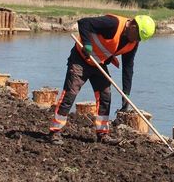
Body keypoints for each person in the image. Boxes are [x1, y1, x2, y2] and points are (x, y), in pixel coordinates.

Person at [48, 14, 156, 144]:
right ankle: (55, 131)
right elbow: (84, 23)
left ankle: (102, 134)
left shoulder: (132, 44)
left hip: (99, 63)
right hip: (81, 59)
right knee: (70, 94)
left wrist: (126, 93)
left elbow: (128, 67)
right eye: (138, 36)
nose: (137, 40)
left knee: (105, 96)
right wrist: (87, 44)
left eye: (140, 38)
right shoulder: (113, 24)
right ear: (133, 25)